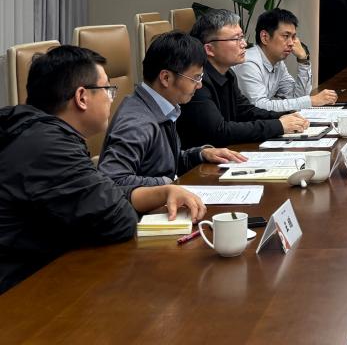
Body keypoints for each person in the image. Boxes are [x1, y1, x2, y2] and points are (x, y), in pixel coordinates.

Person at [0, 46, 205, 294]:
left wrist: (160, 193)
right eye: (107, 89)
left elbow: (100, 190)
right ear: (82, 97)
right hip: (19, 292)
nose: (111, 98)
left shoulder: (32, 129)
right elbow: (119, 220)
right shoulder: (49, 147)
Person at [98, 32, 247, 188]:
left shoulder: (162, 107)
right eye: (195, 78)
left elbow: (163, 163)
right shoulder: (137, 124)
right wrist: (167, 184)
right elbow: (112, 182)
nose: (199, 85)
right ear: (166, 78)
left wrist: (201, 154)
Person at [177, 9, 309, 149]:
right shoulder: (197, 81)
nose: (244, 44)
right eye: (236, 39)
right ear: (209, 49)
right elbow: (219, 131)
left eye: (242, 37)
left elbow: (246, 111)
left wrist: (283, 116)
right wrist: (278, 125)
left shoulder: (228, 74)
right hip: (198, 160)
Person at [233, 8, 336, 112]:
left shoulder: (278, 63)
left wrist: (303, 60)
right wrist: (310, 101)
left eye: (293, 37)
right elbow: (258, 106)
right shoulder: (248, 63)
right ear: (265, 37)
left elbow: (297, 97)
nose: (291, 43)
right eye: (286, 36)